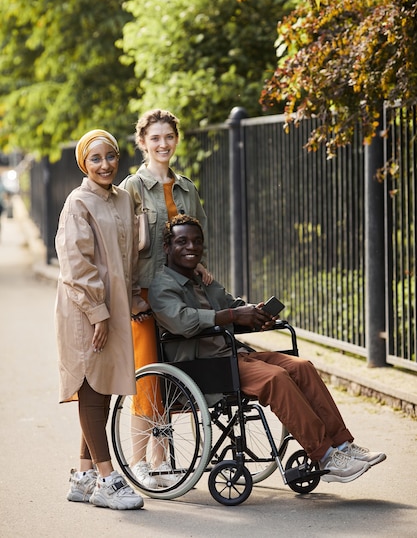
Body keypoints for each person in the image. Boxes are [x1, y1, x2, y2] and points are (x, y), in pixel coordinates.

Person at [148, 214, 387, 484]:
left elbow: (231, 304)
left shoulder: (204, 280)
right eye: (182, 241)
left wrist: (256, 314)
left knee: (302, 367)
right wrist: (233, 314)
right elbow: (182, 321)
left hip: (232, 356)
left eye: (197, 241)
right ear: (167, 247)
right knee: (276, 379)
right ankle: (325, 456)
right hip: (201, 366)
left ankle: (343, 446)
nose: (191, 246)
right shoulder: (162, 286)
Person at [119, 108, 212, 487]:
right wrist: (128, 297)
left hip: (179, 295)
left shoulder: (187, 187)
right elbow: (123, 247)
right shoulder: (132, 188)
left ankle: (162, 463)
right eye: (154, 138)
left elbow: (198, 236)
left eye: (168, 137)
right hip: (144, 296)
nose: (162, 144)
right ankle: (139, 461)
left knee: (175, 375)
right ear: (142, 142)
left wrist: (203, 269)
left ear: (176, 139)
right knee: (147, 378)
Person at [55, 129, 144, 510]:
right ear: (83, 163)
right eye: (96, 159)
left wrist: (134, 296)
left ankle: (84, 475)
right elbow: (76, 264)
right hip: (84, 308)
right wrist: (98, 313)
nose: (105, 164)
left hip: (115, 304)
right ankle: (108, 479)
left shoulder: (124, 198)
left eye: (111, 156)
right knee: (91, 385)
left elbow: (130, 255)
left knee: (104, 385)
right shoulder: (79, 201)